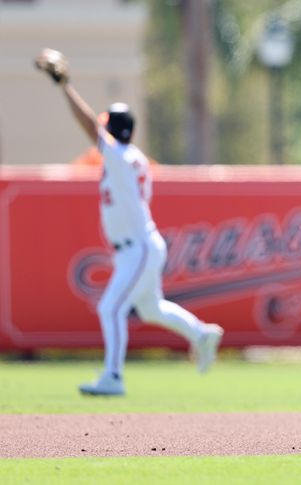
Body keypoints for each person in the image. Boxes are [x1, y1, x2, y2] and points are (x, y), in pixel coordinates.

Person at [35, 48, 224, 396]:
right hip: (138, 247)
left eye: (107, 129)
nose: (101, 134)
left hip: (137, 248)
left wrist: (65, 86)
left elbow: (90, 126)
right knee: (151, 309)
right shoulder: (127, 159)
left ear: (115, 131)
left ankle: (114, 377)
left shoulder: (121, 156)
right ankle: (201, 334)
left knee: (111, 307)